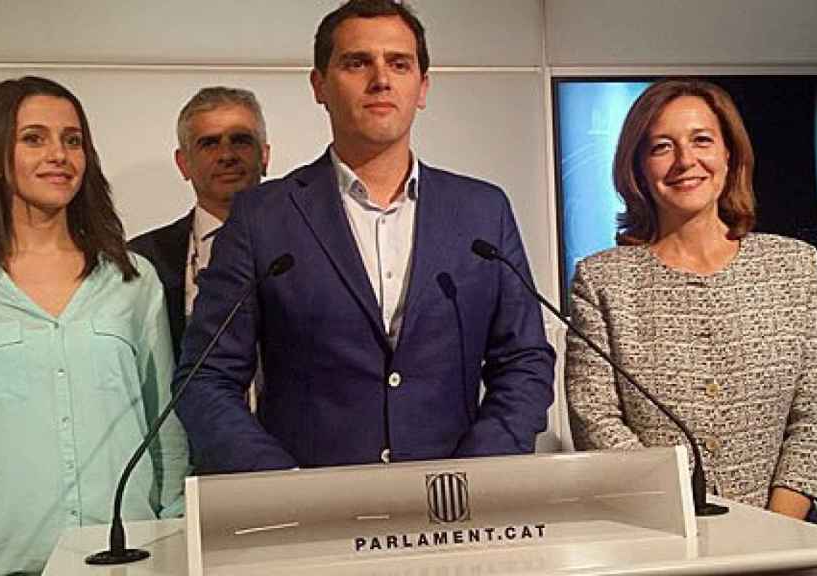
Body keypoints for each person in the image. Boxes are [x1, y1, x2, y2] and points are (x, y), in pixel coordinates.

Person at [175, 0, 554, 473]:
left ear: (423, 87)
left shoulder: (482, 212)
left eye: (399, 63)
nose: (381, 79)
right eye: (357, 63)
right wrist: (279, 486)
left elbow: (524, 361)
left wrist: (477, 471)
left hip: (458, 510)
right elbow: (204, 377)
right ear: (319, 85)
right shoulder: (262, 217)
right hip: (312, 515)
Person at [0, 76, 188, 575]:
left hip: (130, 560)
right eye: (34, 138)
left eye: (72, 140)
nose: (59, 154)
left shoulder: (133, 282)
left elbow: (167, 438)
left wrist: (177, 542)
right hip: (0, 565)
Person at [564, 78, 817, 520]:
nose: (685, 161)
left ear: (729, 155)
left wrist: (774, 534)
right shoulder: (601, 280)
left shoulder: (794, 265)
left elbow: (816, 414)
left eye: (702, 140)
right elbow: (595, 420)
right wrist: (682, 521)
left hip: (787, 536)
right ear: (637, 167)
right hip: (660, 532)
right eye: (661, 147)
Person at [129, 86, 271, 359]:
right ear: (183, 163)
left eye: (241, 140)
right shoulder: (143, 259)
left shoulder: (307, 243)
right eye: (209, 143)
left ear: (264, 156)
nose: (226, 155)